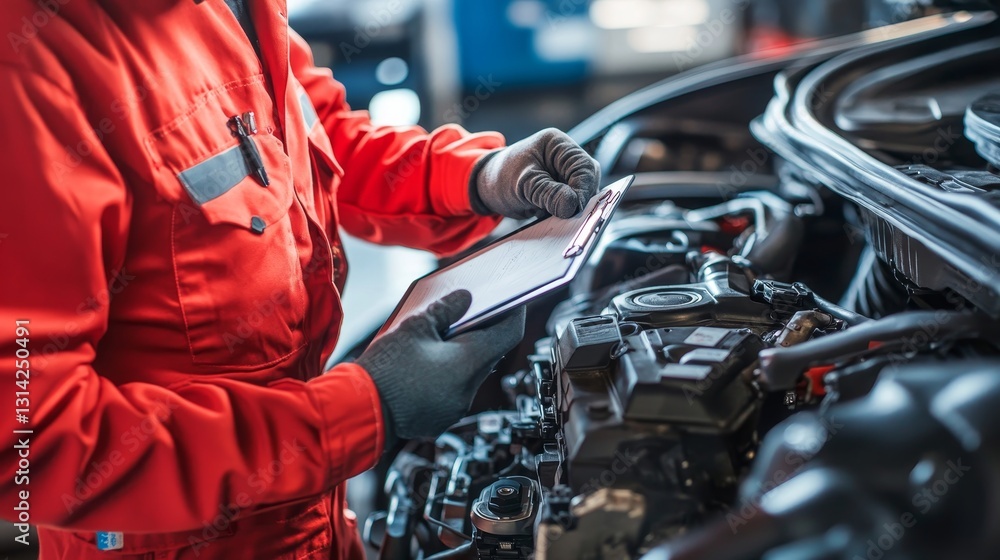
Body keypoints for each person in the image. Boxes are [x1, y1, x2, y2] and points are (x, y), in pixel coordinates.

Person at [0, 1, 599, 559]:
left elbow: (311, 141)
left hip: (315, 519)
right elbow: (28, 443)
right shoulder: (29, 68)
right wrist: (362, 408)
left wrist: (476, 175)